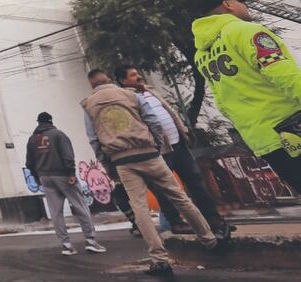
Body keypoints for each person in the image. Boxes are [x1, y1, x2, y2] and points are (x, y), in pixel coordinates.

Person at [82, 69, 219, 277]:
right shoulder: (131, 95)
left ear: (92, 85)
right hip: (150, 154)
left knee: (140, 208)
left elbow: (94, 140)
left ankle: (159, 259)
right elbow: (153, 121)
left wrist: (107, 164)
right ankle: (209, 239)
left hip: (122, 161)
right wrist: (155, 145)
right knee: (180, 197)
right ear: (109, 79)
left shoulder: (88, 105)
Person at [191, 0, 301, 193]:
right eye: (241, 1)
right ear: (228, 4)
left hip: (262, 139)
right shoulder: (246, 31)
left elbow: (221, 100)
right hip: (293, 125)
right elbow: (283, 74)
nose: (246, 5)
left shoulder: (202, 54)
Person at [115, 65, 230, 237]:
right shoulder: (127, 99)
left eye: (138, 73)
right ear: (123, 81)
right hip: (159, 150)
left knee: (196, 181)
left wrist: (183, 130)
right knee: (164, 189)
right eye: (133, 75)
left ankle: (213, 220)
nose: (139, 77)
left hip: (179, 145)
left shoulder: (150, 91)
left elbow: (170, 112)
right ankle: (175, 222)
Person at [25, 112, 106, 256]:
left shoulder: (32, 140)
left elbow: (29, 163)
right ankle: (91, 241)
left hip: (45, 177)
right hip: (62, 175)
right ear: (51, 121)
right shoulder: (58, 135)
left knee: (56, 213)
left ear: (38, 122)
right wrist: (71, 173)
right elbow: (68, 156)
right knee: (80, 206)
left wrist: (37, 177)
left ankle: (66, 245)